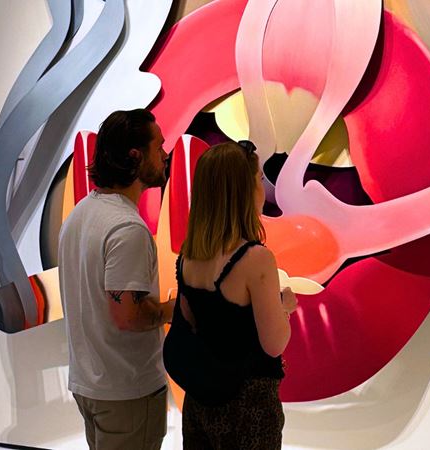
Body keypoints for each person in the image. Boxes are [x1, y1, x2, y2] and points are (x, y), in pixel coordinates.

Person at [164, 140, 298, 449]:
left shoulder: (188, 256)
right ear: (243, 192)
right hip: (247, 407)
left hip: (200, 402)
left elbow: (191, 319)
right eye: (258, 181)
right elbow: (274, 343)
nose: (263, 190)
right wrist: (285, 307)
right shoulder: (256, 260)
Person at [58, 109, 174, 450]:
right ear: (136, 156)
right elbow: (128, 316)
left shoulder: (80, 215)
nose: (164, 154)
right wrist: (175, 309)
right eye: (159, 146)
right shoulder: (127, 229)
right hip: (126, 389)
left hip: (91, 384)